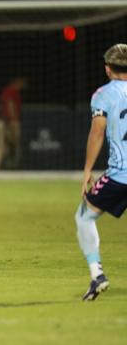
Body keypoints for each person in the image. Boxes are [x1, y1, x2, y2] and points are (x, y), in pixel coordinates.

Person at [76, 43, 127, 301]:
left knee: (84, 217)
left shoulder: (102, 94)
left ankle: (97, 275)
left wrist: (87, 170)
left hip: (120, 175)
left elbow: (97, 132)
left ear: (108, 69)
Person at [0, 76, 27, 171]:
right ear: (18, 81)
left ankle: (8, 168)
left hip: (6, 122)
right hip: (5, 122)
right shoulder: (10, 91)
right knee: (2, 146)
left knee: (5, 147)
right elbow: (10, 105)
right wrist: (13, 121)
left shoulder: (13, 91)